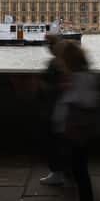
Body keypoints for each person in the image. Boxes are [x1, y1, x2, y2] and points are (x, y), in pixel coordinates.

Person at [52, 40, 100, 201]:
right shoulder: (81, 76)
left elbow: (85, 103)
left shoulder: (80, 78)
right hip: (75, 131)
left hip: (76, 132)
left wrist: (68, 92)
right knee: (78, 170)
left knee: (80, 171)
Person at [38, 34, 67, 186]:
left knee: (53, 141)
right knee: (61, 141)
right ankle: (64, 170)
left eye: (50, 45)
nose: (48, 47)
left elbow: (59, 86)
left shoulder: (57, 64)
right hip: (57, 107)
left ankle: (57, 172)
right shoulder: (63, 62)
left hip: (54, 107)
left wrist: (44, 86)